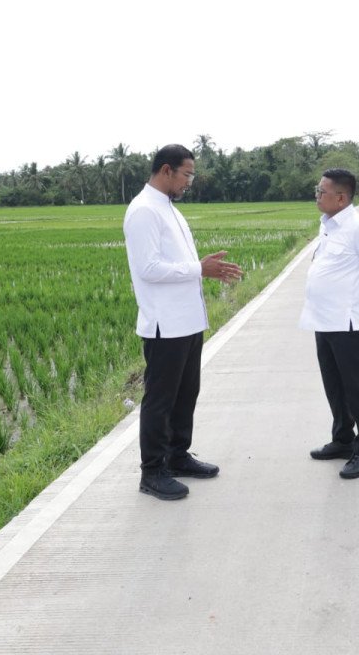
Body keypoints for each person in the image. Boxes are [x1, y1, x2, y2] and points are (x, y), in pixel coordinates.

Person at [123, 144, 242, 500]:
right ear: (165, 171)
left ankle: (177, 455)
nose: (190, 181)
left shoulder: (169, 209)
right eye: (187, 174)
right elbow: (148, 268)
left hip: (188, 322)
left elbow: (178, 264)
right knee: (160, 400)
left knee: (186, 394)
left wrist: (203, 271)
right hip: (165, 325)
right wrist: (198, 268)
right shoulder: (144, 211)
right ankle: (152, 472)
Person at [300, 168, 359, 479]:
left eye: (321, 192)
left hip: (348, 323)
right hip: (324, 319)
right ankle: (343, 439)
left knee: (355, 388)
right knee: (334, 385)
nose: (317, 196)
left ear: (340, 197)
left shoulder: (358, 228)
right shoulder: (328, 226)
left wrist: (357, 291)